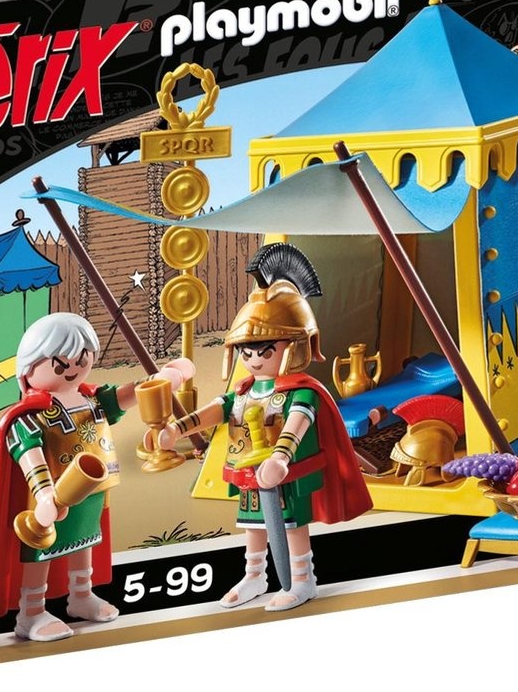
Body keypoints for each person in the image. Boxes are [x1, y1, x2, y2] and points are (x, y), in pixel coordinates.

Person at [150, 244, 371, 612]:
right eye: (246, 351)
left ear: (294, 346)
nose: (253, 359)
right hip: (249, 472)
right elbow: (217, 410)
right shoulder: (244, 391)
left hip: (287, 474)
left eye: (264, 350)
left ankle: (302, 580)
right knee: (252, 525)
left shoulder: (301, 392)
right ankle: (254, 576)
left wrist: (281, 458)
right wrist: (178, 428)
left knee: (292, 526)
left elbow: (297, 423)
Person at [0, 312, 193, 641]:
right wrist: (44, 494)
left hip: (94, 489)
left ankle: (81, 595)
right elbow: (29, 454)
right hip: (53, 495)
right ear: (29, 368)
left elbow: (131, 394)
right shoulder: (29, 416)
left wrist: (165, 378)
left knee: (85, 539)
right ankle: (31, 613)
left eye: (82, 359)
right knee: (42, 549)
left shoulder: (92, 399)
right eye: (61, 364)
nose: (74, 369)